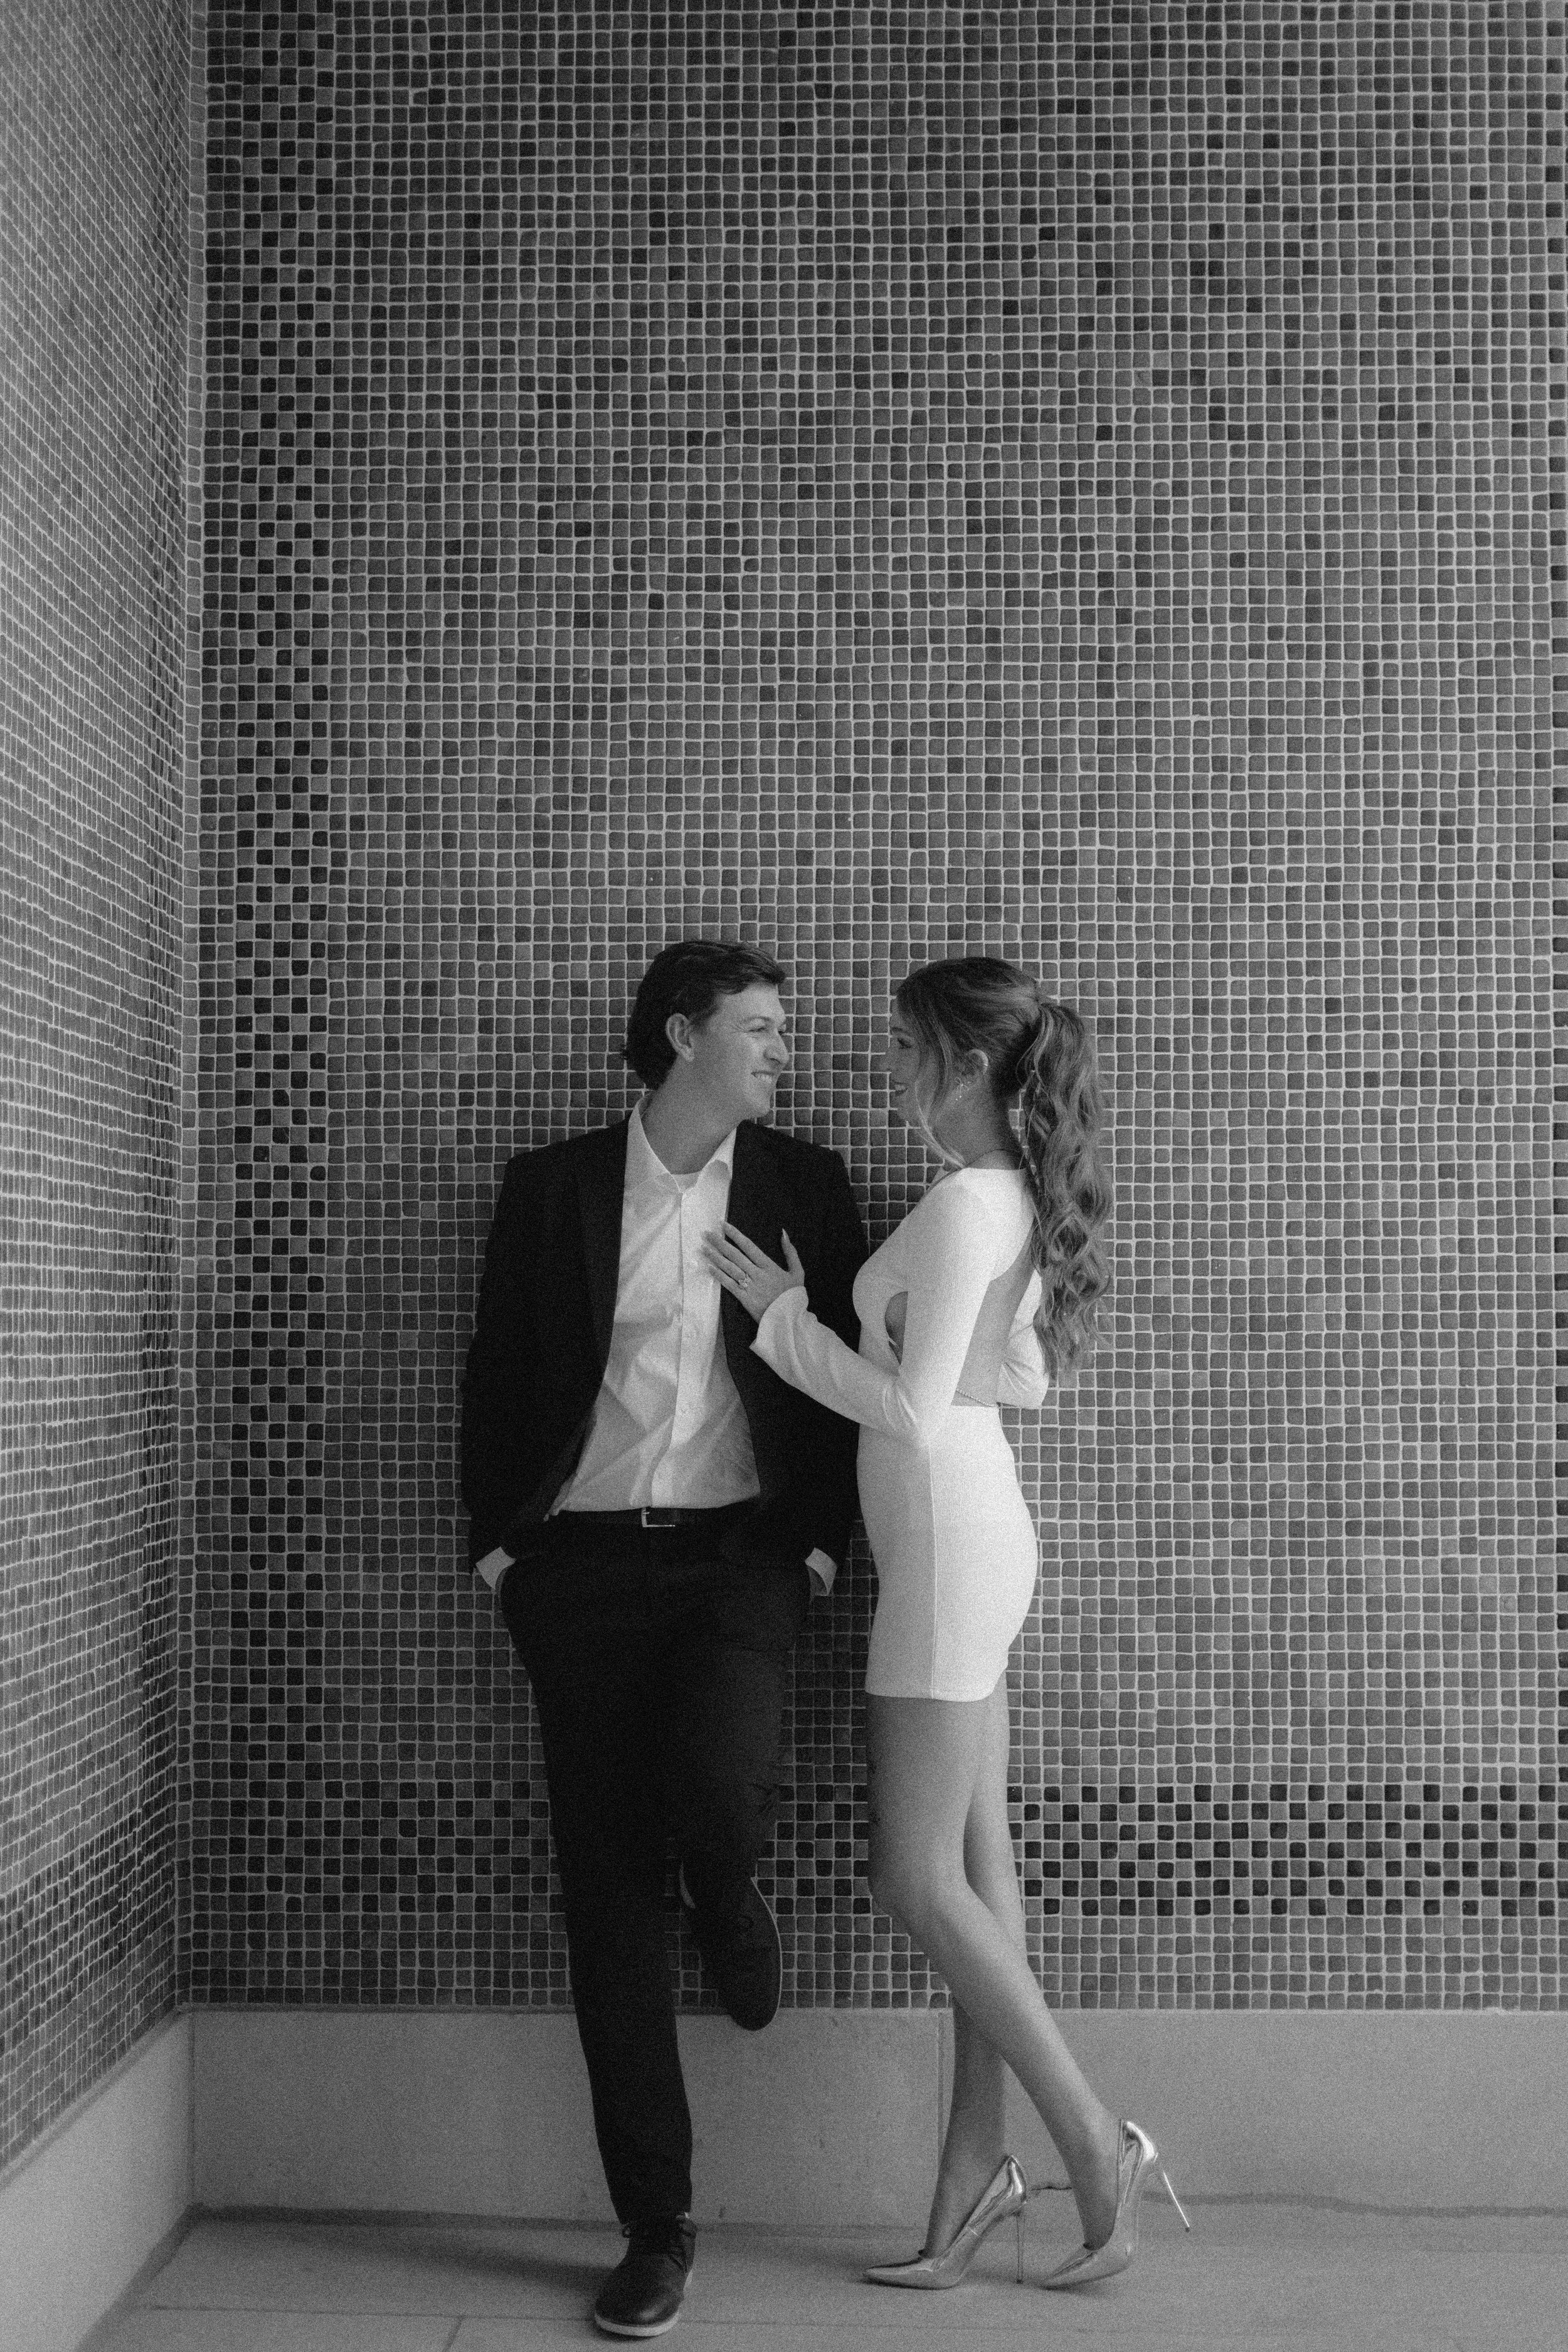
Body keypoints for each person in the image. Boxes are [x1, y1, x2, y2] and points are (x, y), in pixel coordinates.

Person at [705, 955, 1189, 2294]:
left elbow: (915, 1412)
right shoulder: (1002, 1196)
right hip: (970, 1538)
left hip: (943, 1554)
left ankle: (1092, 2139)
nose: (888, 1068)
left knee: (915, 1878)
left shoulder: (971, 1202)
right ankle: (973, 2173)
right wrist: (910, 1339)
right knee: (979, 1869)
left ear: (967, 1063)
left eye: (907, 1048)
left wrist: (784, 1319)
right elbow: (1017, 1378)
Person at [460, 938, 864, 2340]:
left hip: (741, 1562)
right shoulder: (556, 1187)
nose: (783, 1050)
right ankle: (655, 2230)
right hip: (576, 1572)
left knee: (717, 1784)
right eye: (759, 1027)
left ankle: (731, 1892)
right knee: (608, 1900)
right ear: (683, 1036)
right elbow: (497, 1370)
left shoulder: (803, 1185)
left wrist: (819, 1543)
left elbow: (845, 1379)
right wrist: (501, 1551)